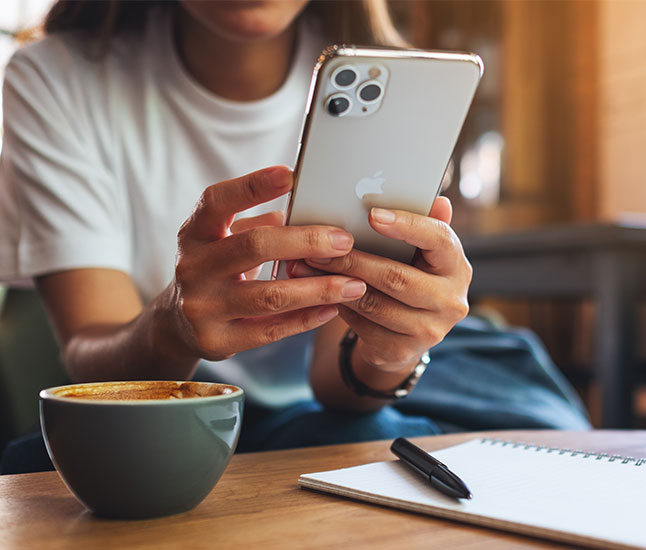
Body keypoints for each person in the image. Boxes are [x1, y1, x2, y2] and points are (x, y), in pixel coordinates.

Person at [0, 0, 590, 473]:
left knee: (376, 436)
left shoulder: (397, 87)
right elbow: (89, 357)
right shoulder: (55, 79)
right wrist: (170, 324)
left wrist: (393, 353)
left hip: (335, 404)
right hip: (178, 406)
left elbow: (337, 388)